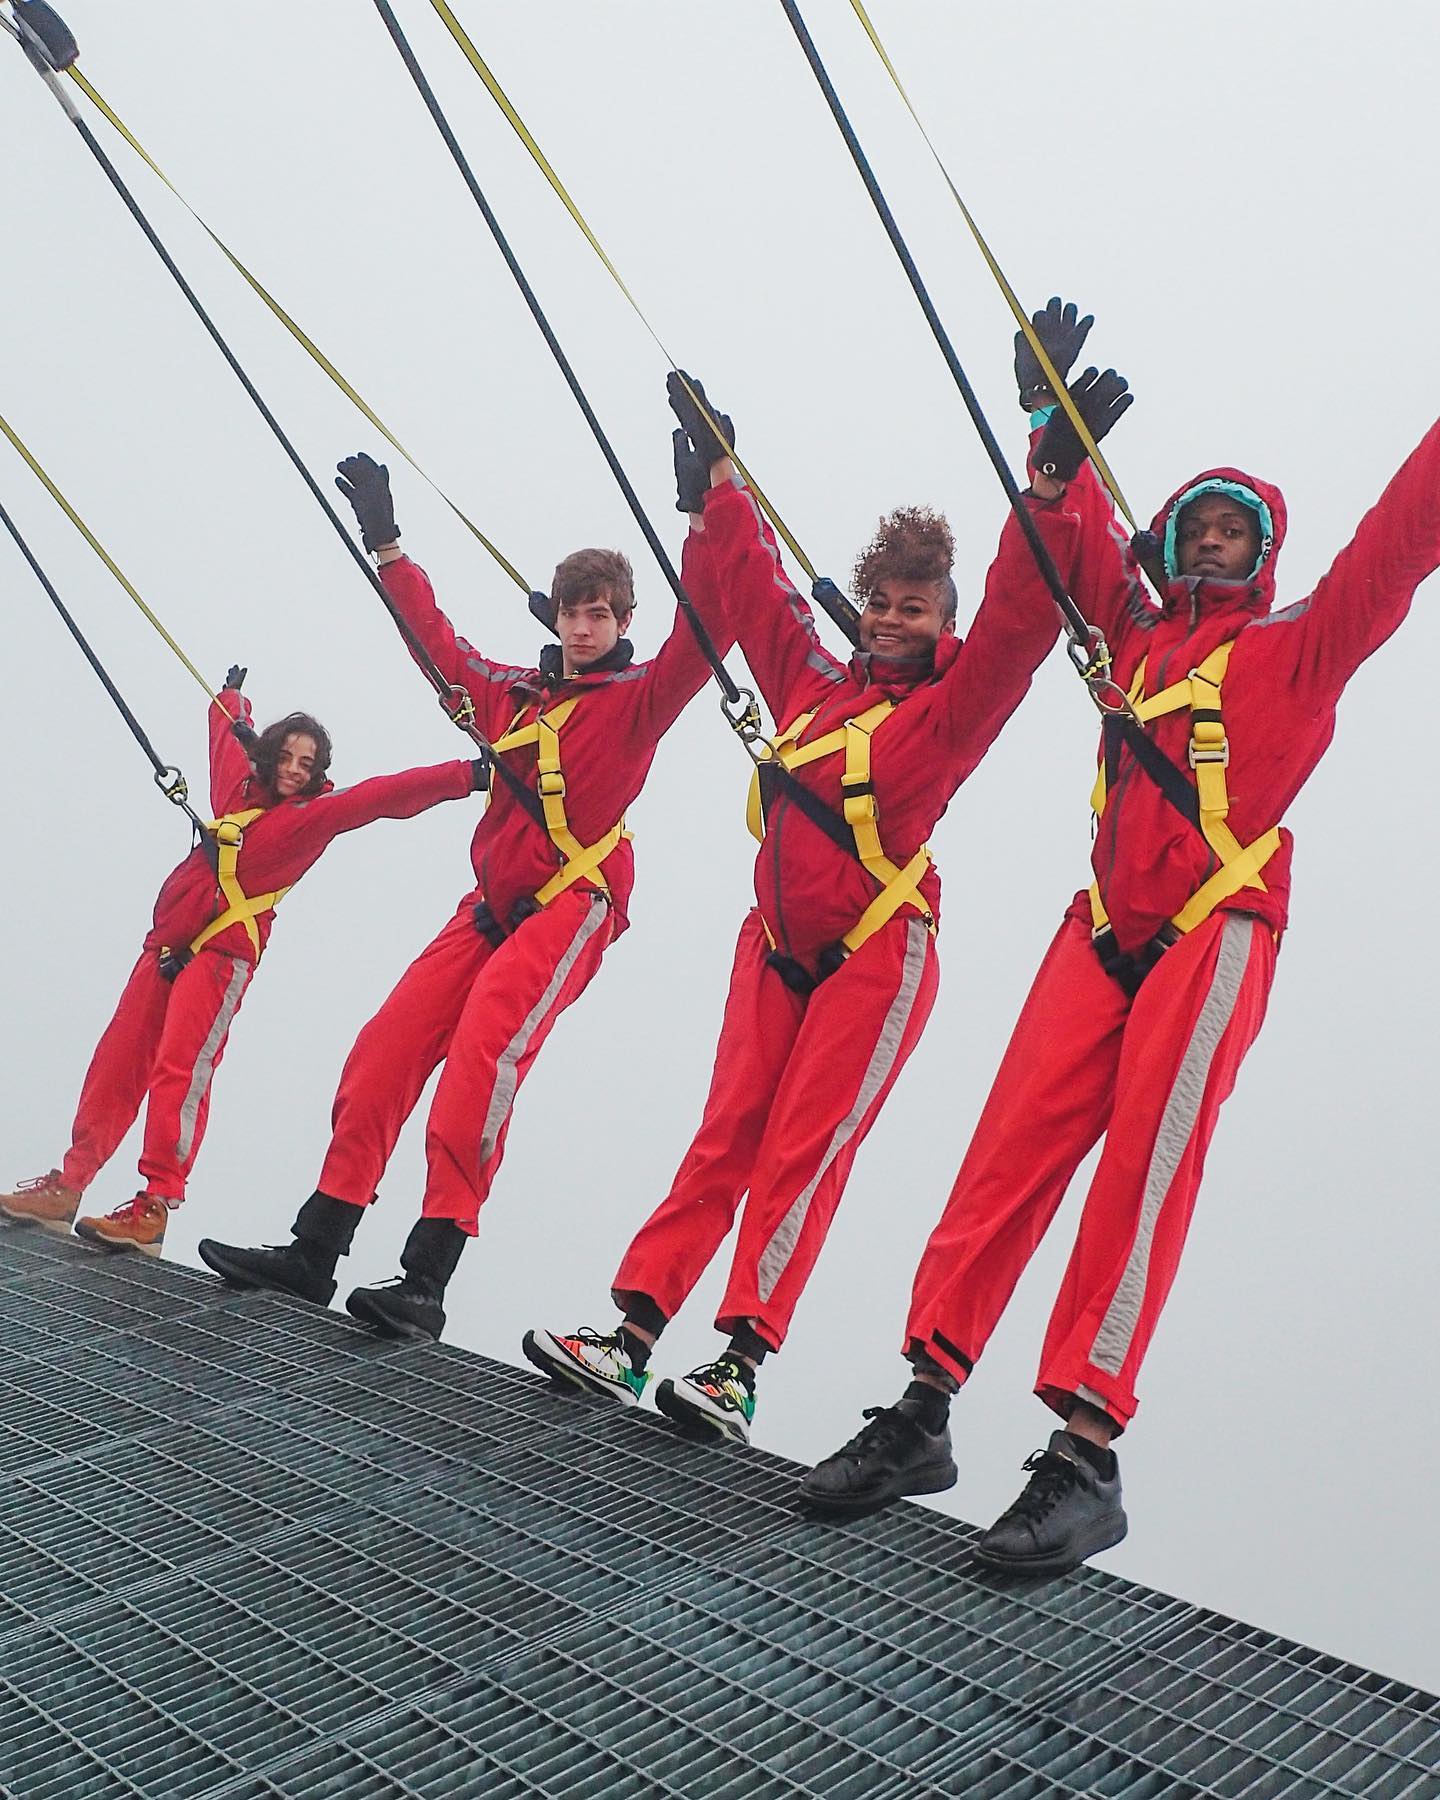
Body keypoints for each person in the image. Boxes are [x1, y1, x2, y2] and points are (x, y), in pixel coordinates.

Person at [801, 299, 1440, 1574]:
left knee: (1145, 1175)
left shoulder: (1298, 647)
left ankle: (1084, 1455)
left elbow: (1399, 542)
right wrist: (1051, 436)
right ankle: (924, 1411)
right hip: (1100, 931)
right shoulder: (1132, 639)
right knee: (1003, 1161)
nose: (1210, 542)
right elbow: (1066, 544)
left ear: (1259, 553)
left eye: (1232, 532)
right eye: (1194, 528)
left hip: (1215, 923)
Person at [522, 363, 1130, 1443]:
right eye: (885, 603)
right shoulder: (813, 687)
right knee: (725, 1138)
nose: (894, 619)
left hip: (876, 949)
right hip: (775, 945)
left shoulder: (951, 708)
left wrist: (1048, 478)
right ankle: (632, 1336)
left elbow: (1019, 621)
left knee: (805, 1147)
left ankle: (741, 1364)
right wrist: (714, 488)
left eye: (916, 608)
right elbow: (752, 592)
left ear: (940, 622)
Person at [196, 448, 733, 1339]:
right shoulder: (511, 698)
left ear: (623, 619)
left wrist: (705, 514)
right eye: (572, 613)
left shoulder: (638, 699)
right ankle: (316, 1249)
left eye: (599, 614)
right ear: (555, 618)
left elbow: (706, 632)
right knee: (382, 1052)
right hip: (487, 905)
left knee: (484, 1061)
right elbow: (434, 644)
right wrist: (387, 542)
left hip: (574, 898)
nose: (584, 627)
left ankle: (426, 1280)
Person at [1, 670, 482, 1256]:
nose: (295, 771)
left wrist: (465, 776)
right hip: (167, 946)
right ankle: (70, 1184)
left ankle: (154, 1202)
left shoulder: (314, 815)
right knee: (118, 1061)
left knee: (182, 1069)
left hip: (223, 951)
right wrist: (233, 697)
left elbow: (382, 796)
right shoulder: (236, 793)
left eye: (308, 763)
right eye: (287, 756)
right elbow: (224, 733)